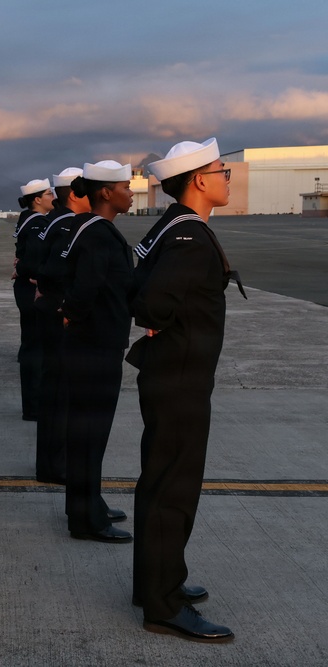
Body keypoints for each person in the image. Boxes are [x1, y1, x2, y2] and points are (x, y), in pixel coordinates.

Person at [128, 138, 243, 643]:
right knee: (172, 489)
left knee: (159, 482)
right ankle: (164, 604)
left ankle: (152, 584)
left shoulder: (171, 225)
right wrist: (156, 321)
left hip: (170, 375)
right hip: (180, 379)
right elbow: (151, 302)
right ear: (199, 179)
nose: (226, 179)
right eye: (223, 172)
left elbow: (137, 287)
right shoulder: (190, 238)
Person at [59, 161, 134, 543]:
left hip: (92, 344)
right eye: (125, 185)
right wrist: (72, 315)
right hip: (95, 346)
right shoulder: (99, 233)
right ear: (106, 192)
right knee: (90, 433)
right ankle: (86, 519)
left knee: (87, 433)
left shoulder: (90, 229)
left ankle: (88, 505)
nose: (131, 191)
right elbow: (86, 287)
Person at [31, 167, 89, 485]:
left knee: (55, 394)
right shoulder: (68, 225)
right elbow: (56, 270)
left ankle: (51, 463)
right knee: (60, 396)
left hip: (50, 312)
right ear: (76, 193)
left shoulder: (55, 222)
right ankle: (55, 465)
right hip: (59, 318)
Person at [14, 179, 54, 421]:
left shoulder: (27, 219)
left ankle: (32, 405)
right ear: (37, 199)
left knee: (31, 346)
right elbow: (33, 259)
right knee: (36, 349)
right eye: (49, 194)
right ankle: (34, 406)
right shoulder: (38, 223)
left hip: (24, 288)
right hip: (31, 290)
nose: (53, 197)